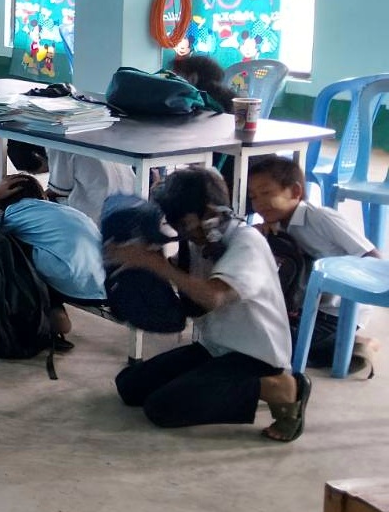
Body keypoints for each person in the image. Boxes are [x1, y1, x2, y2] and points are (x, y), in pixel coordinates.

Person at [109, 167, 311, 441]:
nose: (181, 231)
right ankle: (213, 382)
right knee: (130, 387)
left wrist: (155, 264)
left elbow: (213, 297)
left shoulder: (246, 242)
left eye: (185, 223)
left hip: (255, 356)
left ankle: (281, 388)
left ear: (211, 212)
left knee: (162, 408)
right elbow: (187, 296)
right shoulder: (197, 240)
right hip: (215, 347)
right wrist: (139, 264)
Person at [246, 154, 380, 374]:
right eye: (253, 197)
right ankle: (337, 346)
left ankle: (357, 344)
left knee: (277, 348)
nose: (258, 203)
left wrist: (342, 283)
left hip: (337, 313)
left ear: (295, 192)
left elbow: (371, 256)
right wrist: (258, 234)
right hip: (305, 308)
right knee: (252, 330)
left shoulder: (321, 218)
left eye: (267, 193)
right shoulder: (275, 225)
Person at [0, 172, 107, 348]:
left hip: (74, 283)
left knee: (4, 244)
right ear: (42, 196)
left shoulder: (13, 214)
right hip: (106, 285)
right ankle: (54, 310)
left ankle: (42, 313)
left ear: (2, 203)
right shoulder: (66, 210)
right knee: (49, 246)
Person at [46, 150, 136, 223]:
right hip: (131, 206)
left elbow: (59, 189)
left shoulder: (57, 146)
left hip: (96, 216)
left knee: (44, 207)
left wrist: (39, 194)